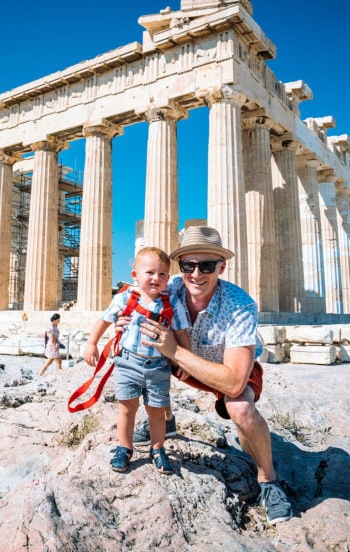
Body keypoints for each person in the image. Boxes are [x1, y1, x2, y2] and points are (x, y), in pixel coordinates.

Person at [133, 225, 294, 526]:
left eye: (206, 265)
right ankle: (164, 420)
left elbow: (234, 381)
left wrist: (176, 352)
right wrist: (121, 321)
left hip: (227, 369)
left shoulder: (239, 305)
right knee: (144, 359)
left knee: (241, 407)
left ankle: (269, 482)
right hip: (185, 362)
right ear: (180, 266)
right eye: (188, 265)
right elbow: (134, 298)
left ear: (221, 266)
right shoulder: (171, 290)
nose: (196, 274)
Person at [83, 247, 189, 475]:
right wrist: (92, 343)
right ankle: (124, 447)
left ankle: (158, 448)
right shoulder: (124, 298)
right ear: (135, 275)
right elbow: (104, 319)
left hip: (158, 366)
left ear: (168, 279)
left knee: (157, 410)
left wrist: (184, 362)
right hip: (127, 363)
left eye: (162, 274)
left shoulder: (172, 303)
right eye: (149, 272)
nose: (156, 278)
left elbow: (181, 333)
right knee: (126, 408)